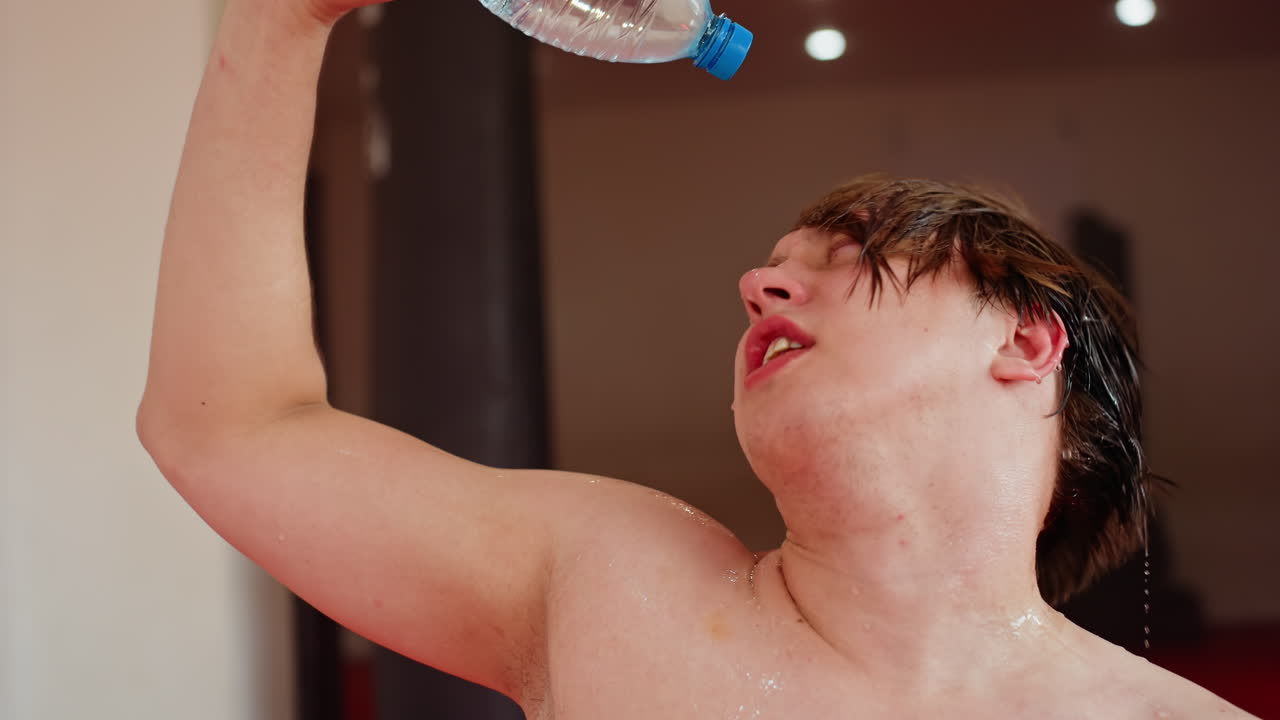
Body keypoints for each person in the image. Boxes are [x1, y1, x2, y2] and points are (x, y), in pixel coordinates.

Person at [137, 0, 1255, 717]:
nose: (756, 285)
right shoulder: (617, 588)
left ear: (1023, 340)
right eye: (771, 266)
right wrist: (278, 24)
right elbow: (228, 426)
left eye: (849, 256)